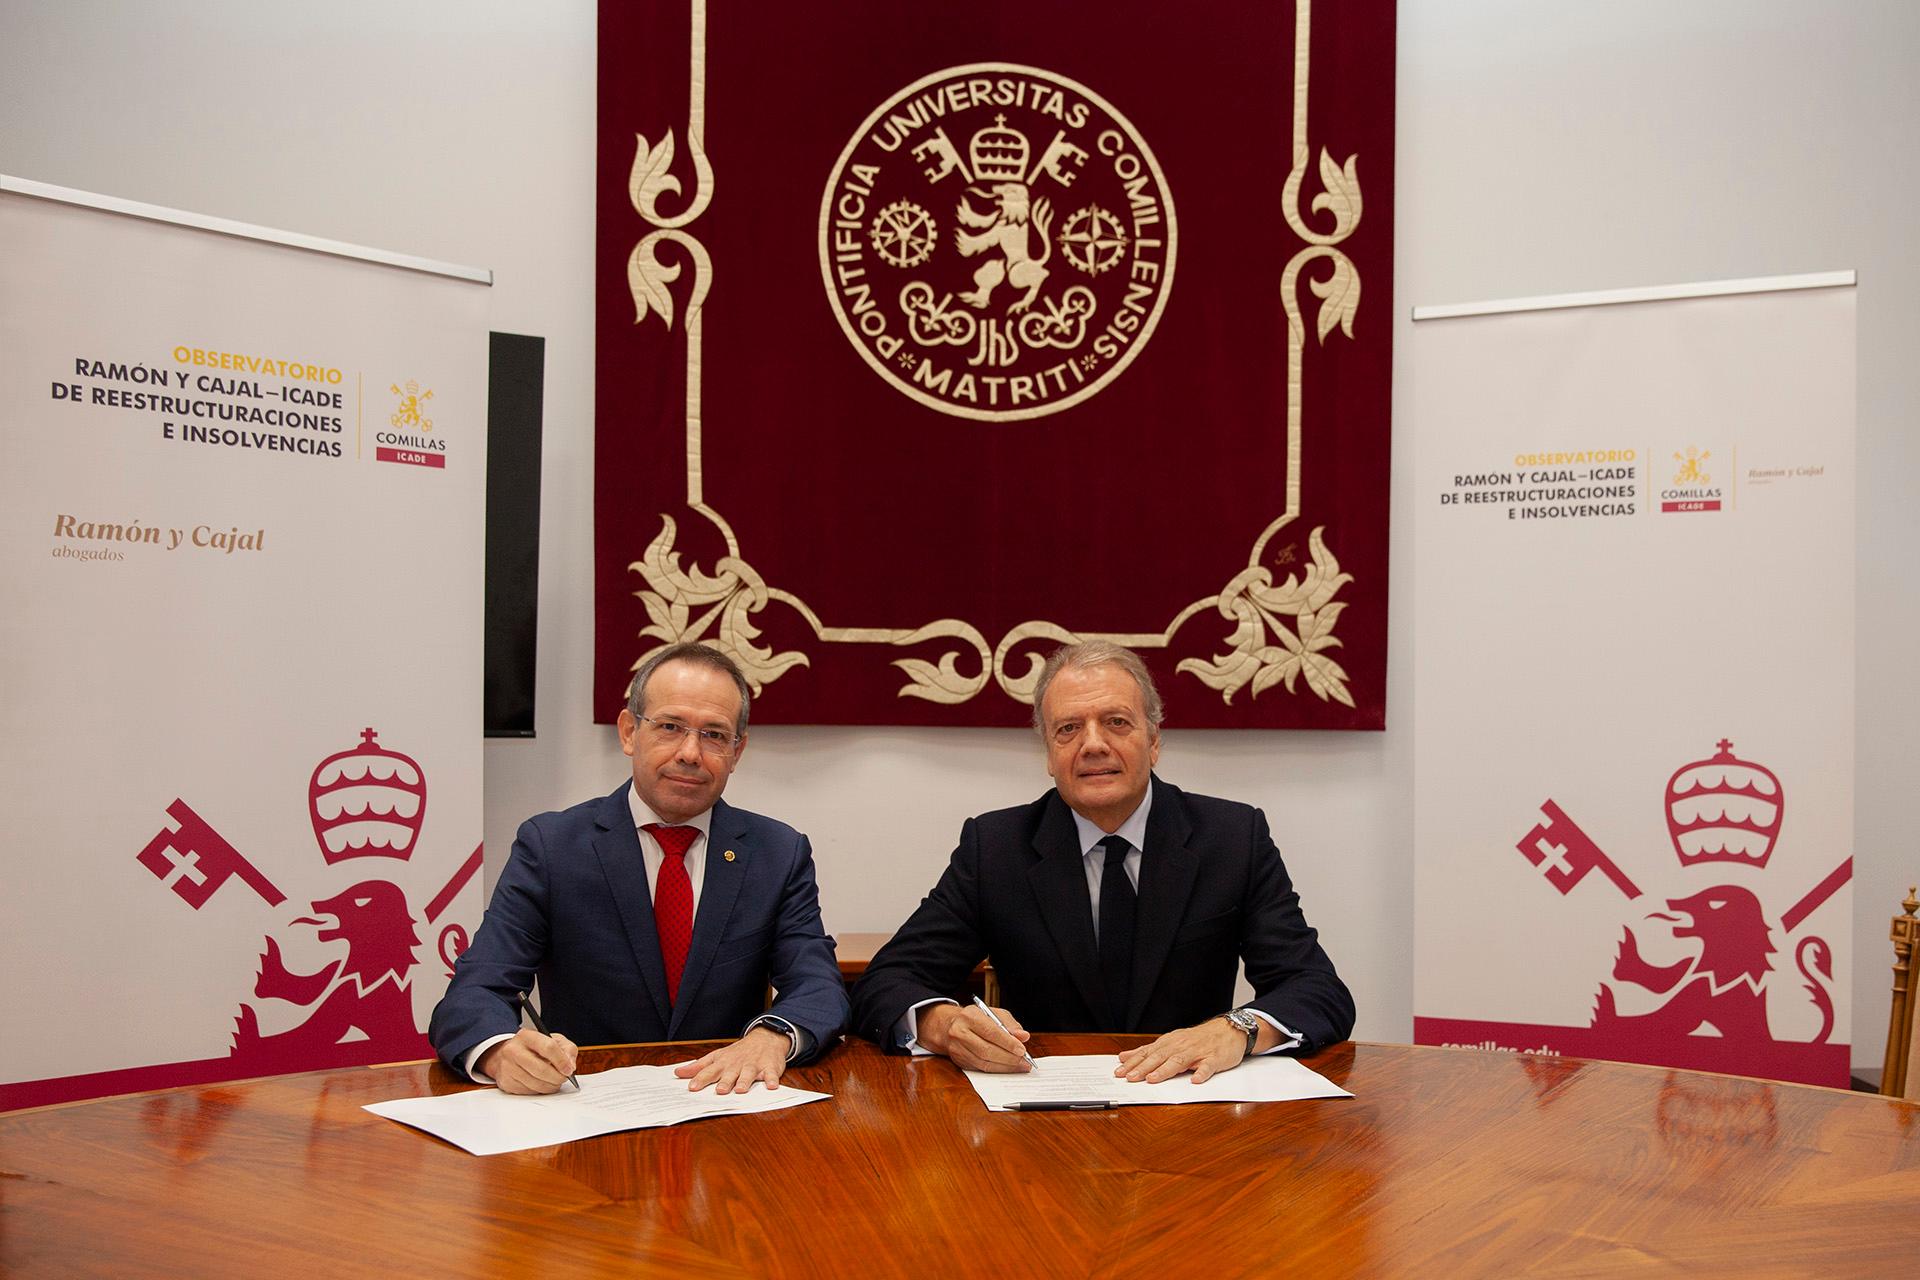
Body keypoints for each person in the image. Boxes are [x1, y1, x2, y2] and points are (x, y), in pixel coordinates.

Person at [851, 641, 1353, 1083]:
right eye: (1069, 728)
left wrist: (1237, 1029)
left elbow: (1317, 990)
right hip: (1043, 1122)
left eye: (1116, 722)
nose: (1093, 744)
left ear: (1153, 741)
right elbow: (886, 982)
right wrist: (945, 1025)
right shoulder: (996, 847)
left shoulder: (1230, 838)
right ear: (1049, 754)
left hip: (1192, 1112)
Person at [429, 642, 848, 1094]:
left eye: (714, 734)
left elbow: (819, 986)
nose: (690, 752)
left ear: (737, 750)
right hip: (584, 1107)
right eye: (670, 727)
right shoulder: (552, 847)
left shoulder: (778, 853)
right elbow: (475, 991)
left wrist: (772, 1036)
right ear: (629, 732)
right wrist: (497, 1051)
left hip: (723, 1104)